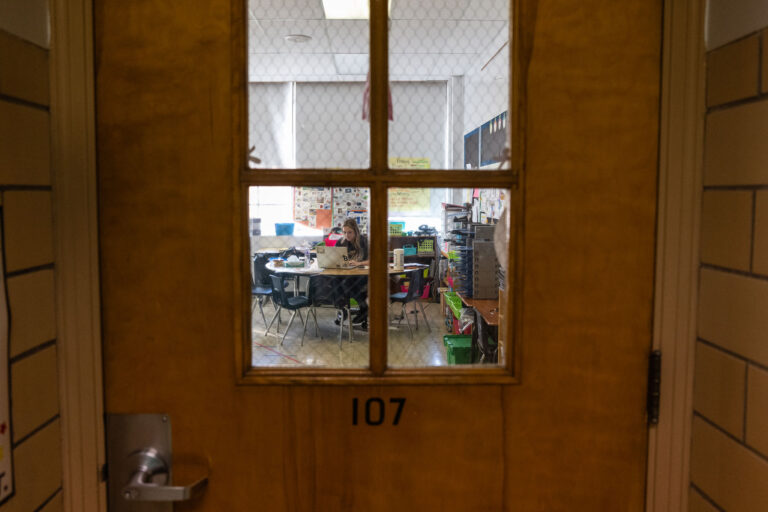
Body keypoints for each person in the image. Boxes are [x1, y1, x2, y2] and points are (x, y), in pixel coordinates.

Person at [335, 218, 369, 325]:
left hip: (361, 275)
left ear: (356, 231)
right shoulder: (341, 242)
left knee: (346, 283)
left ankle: (362, 309)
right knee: (334, 280)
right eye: (344, 232)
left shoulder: (364, 241)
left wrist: (359, 263)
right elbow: (336, 258)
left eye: (350, 232)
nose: (347, 235)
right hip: (345, 273)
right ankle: (343, 309)